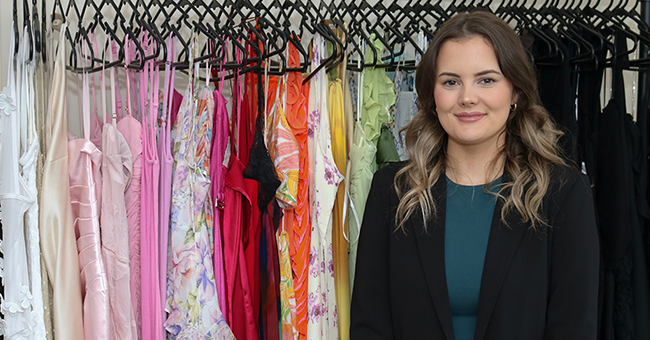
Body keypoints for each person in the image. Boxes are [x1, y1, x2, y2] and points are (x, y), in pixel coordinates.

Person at [350, 11, 599, 340]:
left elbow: (573, 328)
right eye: (451, 82)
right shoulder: (392, 192)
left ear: (516, 93)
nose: (467, 97)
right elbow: (370, 324)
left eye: (486, 80)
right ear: (432, 96)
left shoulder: (562, 194)